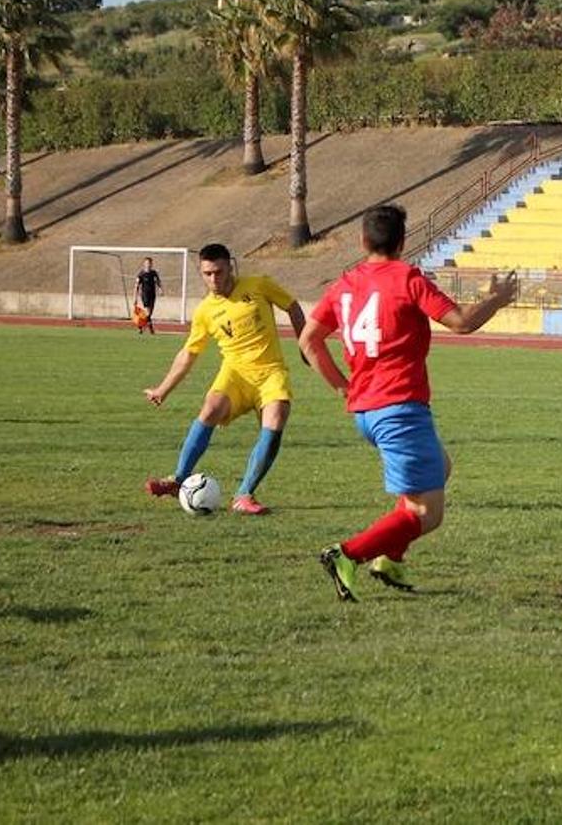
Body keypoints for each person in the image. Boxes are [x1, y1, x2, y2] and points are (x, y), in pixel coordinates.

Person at [298, 205, 518, 602]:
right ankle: (347, 554)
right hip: (399, 409)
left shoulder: (345, 284)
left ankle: (390, 558)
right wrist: (497, 299)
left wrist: (342, 388)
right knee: (425, 514)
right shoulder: (408, 279)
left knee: (442, 467)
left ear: (363, 241)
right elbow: (462, 322)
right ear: (402, 242)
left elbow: (308, 341)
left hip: (368, 411)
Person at [142, 243, 306, 515]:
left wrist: (305, 343)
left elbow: (293, 306)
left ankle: (244, 495)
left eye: (218, 272)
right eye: (207, 274)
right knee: (210, 408)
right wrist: (163, 389)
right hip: (235, 374)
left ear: (230, 266)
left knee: (276, 417)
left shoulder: (259, 285)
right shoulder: (205, 311)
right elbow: (188, 354)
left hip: (270, 372)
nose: (213, 280)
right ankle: (178, 479)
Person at [133, 257, 162, 335]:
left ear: (151, 264)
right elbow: (136, 286)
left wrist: (160, 289)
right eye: (146, 263)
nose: (148, 265)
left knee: (149, 313)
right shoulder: (141, 274)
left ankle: (140, 326)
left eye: (149, 263)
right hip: (145, 295)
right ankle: (151, 329)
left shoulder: (154, 273)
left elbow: (158, 282)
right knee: (148, 312)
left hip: (152, 295)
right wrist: (135, 297)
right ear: (144, 264)